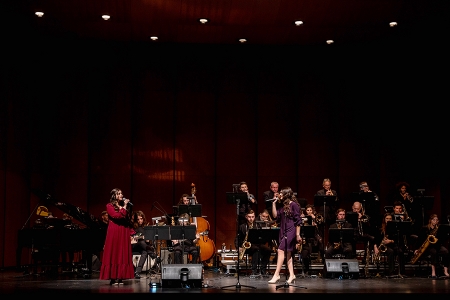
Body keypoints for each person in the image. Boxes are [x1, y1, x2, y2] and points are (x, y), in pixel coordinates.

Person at [99, 188, 136, 285]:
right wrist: (124, 207)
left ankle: (120, 277)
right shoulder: (109, 205)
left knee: (122, 253)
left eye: (121, 193)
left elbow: (127, 218)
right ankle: (112, 277)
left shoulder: (123, 206)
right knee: (114, 251)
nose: (121, 195)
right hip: (114, 231)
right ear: (114, 196)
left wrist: (126, 208)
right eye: (118, 193)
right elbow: (116, 216)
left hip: (123, 231)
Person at [268, 187, 302, 284]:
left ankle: (276, 274)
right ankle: (292, 275)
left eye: (281, 193)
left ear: (286, 194)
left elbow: (298, 221)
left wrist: (297, 235)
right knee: (288, 254)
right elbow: (275, 216)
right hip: (283, 230)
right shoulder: (283, 205)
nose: (279, 195)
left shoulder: (294, 205)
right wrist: (273, 204)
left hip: (291, 230)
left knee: (280, 250)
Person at [236, 210, 272, 277]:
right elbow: (237, 238)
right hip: (247, 245)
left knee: (268, 250)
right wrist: (238, 247)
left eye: (252, 217)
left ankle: (263, 270)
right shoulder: (242, 226)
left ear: (254, 216)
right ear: (246, 217)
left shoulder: (258, 225)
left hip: (257, 244)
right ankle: (254, 271)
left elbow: (262, 238)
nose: (251, 218)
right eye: (249, 217)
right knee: (256, 249)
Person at [373, 212, 405, 277]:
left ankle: (401, 271)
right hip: (382, 246)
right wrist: (375, 247)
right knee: (391, 252)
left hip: (392, 244)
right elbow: (375, 239)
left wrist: (390, 241)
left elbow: (398, 239)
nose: (388, 220)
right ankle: (391, 272)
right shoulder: (380, 228)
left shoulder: (395, 228)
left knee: (400, 252)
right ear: (384, 219)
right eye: (387, 218)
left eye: (390, 218)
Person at [132, 210, 158, 279]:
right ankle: (154, 256)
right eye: (138, 219)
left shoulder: (145, 228)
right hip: (134, 245)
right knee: (141, 242)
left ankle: (137, 272)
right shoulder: (134, 227)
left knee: (145, 252)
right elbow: (132, 238)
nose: (140, 221)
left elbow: (147, 242)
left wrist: (148, 240)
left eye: (141, 219)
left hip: (143, 247)